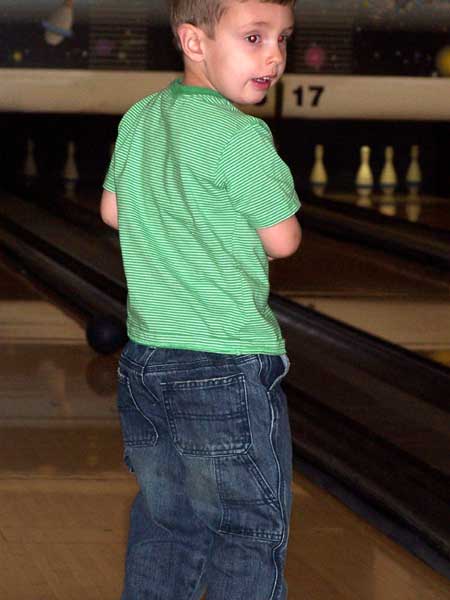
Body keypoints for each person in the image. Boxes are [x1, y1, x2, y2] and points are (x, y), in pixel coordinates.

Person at [100, 0, 301, 598]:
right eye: (254, 38)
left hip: (147, 362)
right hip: (225, 362)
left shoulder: (139, 117)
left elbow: (113, 212)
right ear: (194, 41)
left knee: (167, 524)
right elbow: (284, 239)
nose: (274, 56)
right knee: (246, 530)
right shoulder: (242, 134)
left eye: (283, 40)